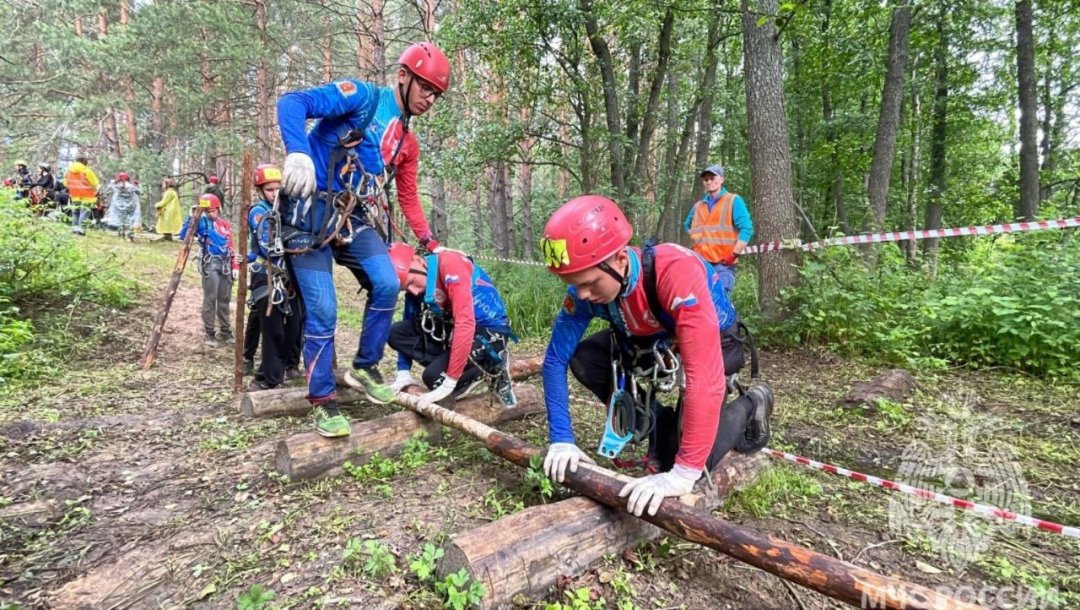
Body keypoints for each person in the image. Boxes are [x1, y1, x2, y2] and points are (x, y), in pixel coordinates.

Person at [539, 195, 773, 517]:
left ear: (620, 259)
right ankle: (662, 428)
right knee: (585, 358)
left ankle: (752, 403)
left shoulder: (676, 272)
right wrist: (561, 438)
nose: (581, 295)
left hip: (715, 339)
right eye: (572, 284)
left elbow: (704, 378)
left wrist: (683, 473)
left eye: (589, 283)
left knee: (694, 455)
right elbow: (555, 360)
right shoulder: (589, 289)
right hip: (655, 337)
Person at [275, 41, 452, 437]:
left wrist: (430, 242)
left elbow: (407, 195)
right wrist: (297, 152)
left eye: (436, 94)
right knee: (323, 310)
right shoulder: (362, 98)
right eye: (426, 87)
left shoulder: (409, 144)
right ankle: (323, 402)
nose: (430, 98)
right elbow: (292, 103)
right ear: (403, 77)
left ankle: (365, 366)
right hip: (307, 211)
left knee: (388, 281)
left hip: (351, 215)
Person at [385, 242, 518, 408]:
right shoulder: (419, 279)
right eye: (405, 288)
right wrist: (403, 372)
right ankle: (450, 367)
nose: (413, 290)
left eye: (411, 282)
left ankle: (491, 365)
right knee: (395, 332)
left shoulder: (451, 265)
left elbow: (465, 323)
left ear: (417, 261)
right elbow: (409, 320)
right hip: (451, 330)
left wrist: (450, 380)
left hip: (487, 331)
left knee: (432, 377)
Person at [246, 164, 304, 390]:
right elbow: (268, 243)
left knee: (295, 325)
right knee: (273, 328)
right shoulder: (259, 212)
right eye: (269, 190)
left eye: (277, 189)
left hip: (289, 277)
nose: (274, 193)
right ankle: (267, 378)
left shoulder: (288, 209)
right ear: (261, 191)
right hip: (266, 275)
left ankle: (285, 367)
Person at [683, 165, 753, 294]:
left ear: (721, 179)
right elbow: (687, 225)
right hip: (701, 263)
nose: (709, 182)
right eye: (706, 179)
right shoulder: (698, 206)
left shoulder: (733, 200)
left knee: (720, 300)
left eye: (712, 178)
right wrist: (697, 239)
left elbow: (747, 229)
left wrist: (734, 254)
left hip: (723, 264)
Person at [180, 194, 239, 347]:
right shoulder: (201, 223)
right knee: (210, 298)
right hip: (210, 263)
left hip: (225, 263)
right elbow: (184, 236)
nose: (211, 214)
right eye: (208, 211)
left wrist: (235, 266)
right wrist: (192, 218)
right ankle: (209, 332)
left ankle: (225, 331)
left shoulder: (225, 225)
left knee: (224, 300)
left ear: (218, 209)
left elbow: (231, 245)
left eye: (214, 211)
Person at [65, 156, 100, 235]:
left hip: (74, 195)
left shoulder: (69, 171)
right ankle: (81, 230)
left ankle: (74, 229)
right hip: (87, 195)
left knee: (75, 212)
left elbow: (65, 183)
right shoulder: (86, 171)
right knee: (84, 212)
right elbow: (95, 183)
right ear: (84, 162)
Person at [102, 173, 142, 241]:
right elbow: (140, 192)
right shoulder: (131, 186)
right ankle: (130, 235)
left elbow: (106, 191)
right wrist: (138, 185)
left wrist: (113, 183)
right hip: (130, 206)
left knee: (120, 220)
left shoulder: (115, 186)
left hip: (118, 207)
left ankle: (121, 234)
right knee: (130, 220)